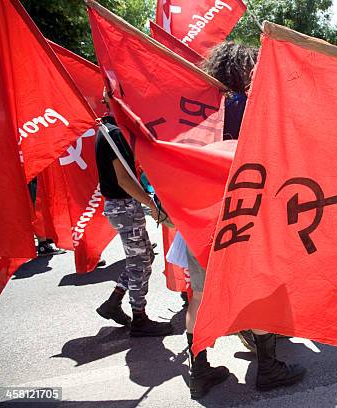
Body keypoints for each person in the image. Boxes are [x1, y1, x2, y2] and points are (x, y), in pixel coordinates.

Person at [178, 42, 305, 399]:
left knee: (199, 294)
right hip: (247, 212)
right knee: (259, 289)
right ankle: (268, 367)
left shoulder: (198, 112)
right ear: (245, 70)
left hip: (202, 215)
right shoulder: (253, 107)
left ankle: (199, 369)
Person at [94, 94, 173, 338]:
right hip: (124, 206)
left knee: (145, 256)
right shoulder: (113, 134)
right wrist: (151, 204)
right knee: (140, 264)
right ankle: (139, 318)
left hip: (121, 206)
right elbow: (124, 179)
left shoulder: (107, 130)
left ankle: (114, 301)